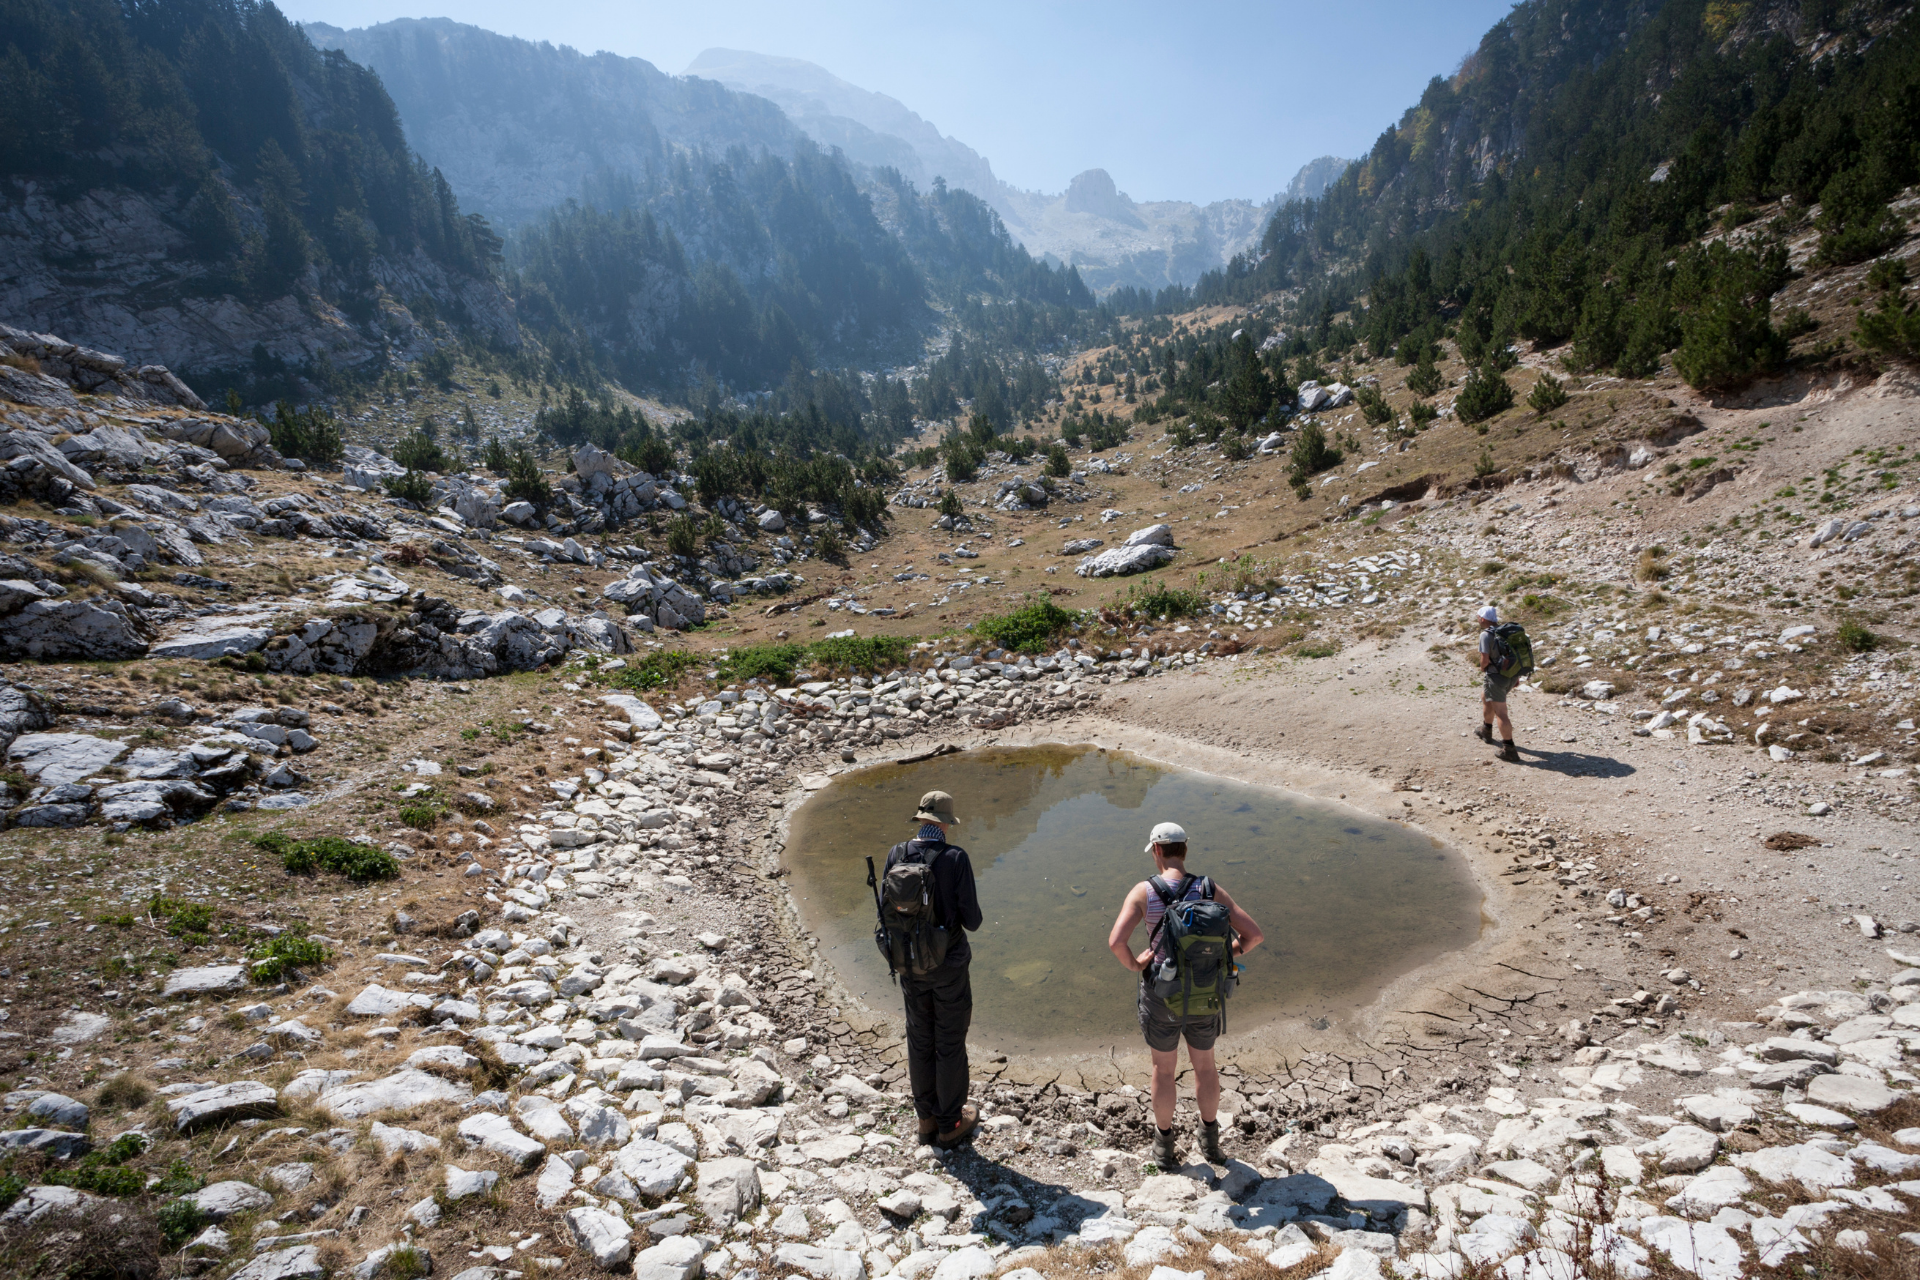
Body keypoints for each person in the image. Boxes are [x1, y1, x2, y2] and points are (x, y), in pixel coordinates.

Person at [1106, 821, 1264, 1169]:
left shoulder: (1144, 892)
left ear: (1158, 851)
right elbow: (1253, 936)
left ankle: (1163, 1148)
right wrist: (1225, 957)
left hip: (1163, 994)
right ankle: (1210, 1142)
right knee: (1205, 1067)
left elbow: (1116, 942)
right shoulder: (1209, 889)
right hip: (1206, 996)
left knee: (1163, 1071)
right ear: (1185, 850)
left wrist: (1135, 964)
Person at [887, 790, 984, 1148]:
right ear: (944, 824)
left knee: (920, 1039)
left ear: (921, 820)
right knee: (949, 1042)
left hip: (909, 965)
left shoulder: (896, 854)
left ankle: (925, 1120)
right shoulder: (955, 858)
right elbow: (972, 921)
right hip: (948, 967)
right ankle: (950, 1123)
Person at [1474, 604, 1521, 762]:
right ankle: (1486, 730)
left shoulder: (1486, 635)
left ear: (1482, 619)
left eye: (1478, 618)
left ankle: (1509, 748)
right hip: (1511, 675)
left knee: (1501, 712)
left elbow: (1484, 660)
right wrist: (1516, 676)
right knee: (1485, 697)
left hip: (1496, 677)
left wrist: (1483, 669)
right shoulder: (1506, 632)